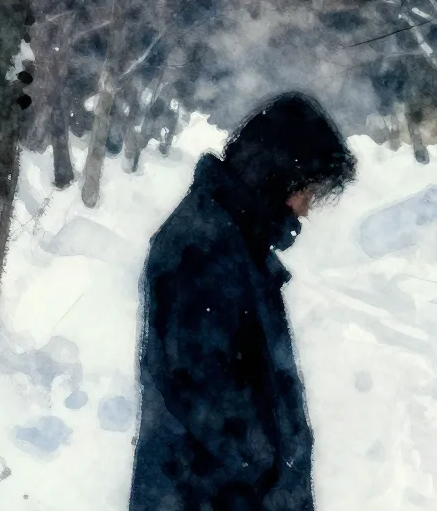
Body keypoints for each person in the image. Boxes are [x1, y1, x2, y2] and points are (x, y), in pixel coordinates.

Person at [129, 92, 356, 511]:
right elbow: (209, 400)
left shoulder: (235, 240)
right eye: (306, 192)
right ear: (277, 177)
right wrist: (272, 477)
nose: (305, 209)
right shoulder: (201, 247)